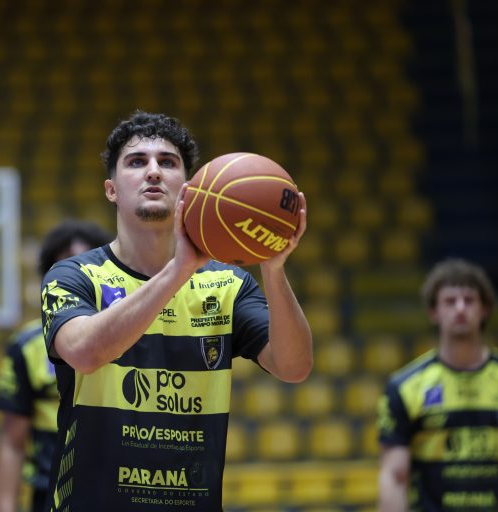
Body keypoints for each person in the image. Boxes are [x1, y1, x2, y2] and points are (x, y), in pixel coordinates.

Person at [39, 110, 313, 510]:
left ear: (188, 188)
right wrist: (179, 269)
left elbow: (295, 366)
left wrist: (272, 267)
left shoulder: (228, 284)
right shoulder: (73, 275)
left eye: (167, 163)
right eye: (137, 162)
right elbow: (83, 352)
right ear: (112, 190)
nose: (153, 171)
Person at [377, 258, 498, 511]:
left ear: (484, 309)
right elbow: (394, 477)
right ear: (434, 312)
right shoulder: (404, 387)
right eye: (450, 301)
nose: (460, 308)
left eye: (469, 300)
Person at [0, 220, 113, 512]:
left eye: (86, 264)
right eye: (67, 265)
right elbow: (12, 441)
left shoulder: (137, 335)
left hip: (119, 491)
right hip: (49, 492)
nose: (77, 274)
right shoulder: (26, 346)